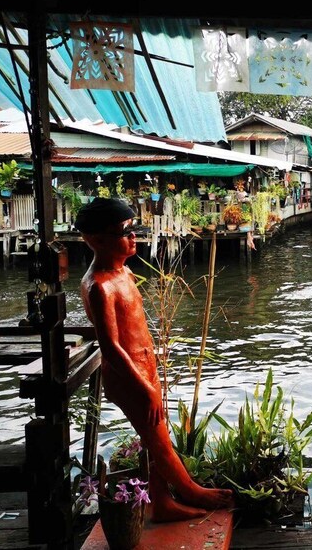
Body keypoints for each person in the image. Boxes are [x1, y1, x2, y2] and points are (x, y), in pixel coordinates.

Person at [75, 198, 233, 522]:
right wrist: (145, 388)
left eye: (134, 230)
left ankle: (161, 502)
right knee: (159, 441)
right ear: (97, 240)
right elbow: (112, 348)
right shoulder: (99, 287)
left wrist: (153, 369)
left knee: (153, 438)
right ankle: (192, 490)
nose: (134, 238)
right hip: (127, 375)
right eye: (124, 232)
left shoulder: (124, 272)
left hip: (145, 368)